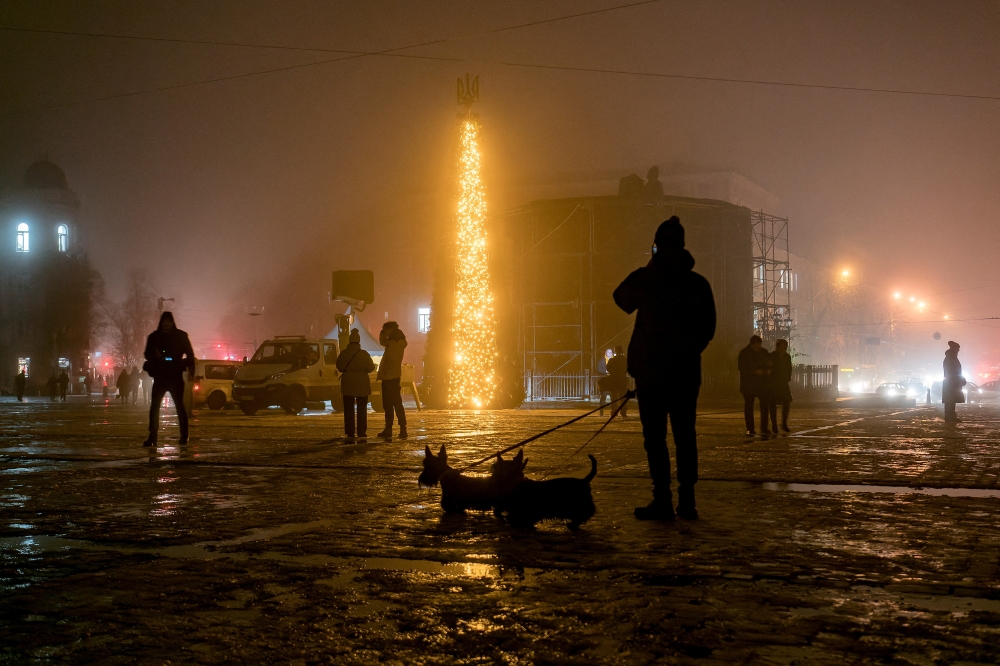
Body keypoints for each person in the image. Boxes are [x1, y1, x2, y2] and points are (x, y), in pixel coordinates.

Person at [613, 216, 716, 521]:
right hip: (685, 373)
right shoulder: (698, 284)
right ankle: (687, 501)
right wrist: (687, 351)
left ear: (656, 246)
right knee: (685, 436)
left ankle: (662, 499)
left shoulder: (648, 278)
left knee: (655, 439)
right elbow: (708, 329)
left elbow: (621, 298)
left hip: (652, 373)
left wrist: (651, 266)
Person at [142, 311, 196, 447]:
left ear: (172, 323)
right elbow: (147, 354)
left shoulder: (175, 336)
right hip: (163, 375)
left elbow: (190, 355)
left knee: (177, 406)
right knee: (157, 407)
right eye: (165, 322)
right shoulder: (156, 337)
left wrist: (190, 370)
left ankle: (182, 435)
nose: (166, 325)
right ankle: (153, 436)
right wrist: (156, 356)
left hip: (172, 375)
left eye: (168, 322)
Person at [336, 328, 375, 439]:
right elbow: (371, 367)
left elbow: (339, 366)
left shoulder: (344, 354)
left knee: (348, 409)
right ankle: (362, 431)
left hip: (347, 384)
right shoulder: (364, 354)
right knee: (362, 409)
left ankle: (350, 431)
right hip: (362, 384)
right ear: (359, 342)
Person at [376, 321, 408, 439]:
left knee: (389, 404)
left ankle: (390, 428)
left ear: (390, 330)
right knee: (396, 403)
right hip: (393, 376)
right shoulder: (398, 342)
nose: (385, 333)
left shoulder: (393, 343)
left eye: (386, 330)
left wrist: (382, 333)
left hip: (389, 377)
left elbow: (382, 342)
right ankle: (401, 428)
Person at [738, 335, 771, 435]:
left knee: (764, 406)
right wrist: (754, 371)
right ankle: (750, 428)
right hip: (749, 384)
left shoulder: (763, 352)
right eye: (757, 345)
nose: (758, 347)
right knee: (749, 406)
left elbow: (769, 364)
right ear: (752, 344)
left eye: (759, 345)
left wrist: (765, 371)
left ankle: (764, 427)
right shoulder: (744, 353)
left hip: (761, 383)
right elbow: (742, 367)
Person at [768, 339, 793, 433]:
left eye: (785, 347)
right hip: (773, 383)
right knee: (772, 404)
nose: (784, 348)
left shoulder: (787, 357)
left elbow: (789, 368)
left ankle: (784, 423)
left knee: (786, 402)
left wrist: (787, 378)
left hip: (783, 383)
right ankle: (774, 425)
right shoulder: (772, 356)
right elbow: (769, 367)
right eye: (782, 346)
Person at [601, 346, 629, 418]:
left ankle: (614, 412)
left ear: (615, 351)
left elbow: (608, 368)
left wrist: (613, 373)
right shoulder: (624, 360)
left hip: (614, 380)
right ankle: (623, 412)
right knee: (623, 397)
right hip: (622, 380)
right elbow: (627, 369)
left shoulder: (612, 360)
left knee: (614, 397)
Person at [942, 341, 966, 423]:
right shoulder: (951, 358)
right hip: (951, 383)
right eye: (957, 349)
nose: (958, 351)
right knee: (950, 401)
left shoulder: (951, 358)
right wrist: (959, 379)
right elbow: (953, 371)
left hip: (952, 382)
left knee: (951, 401)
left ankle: (951, 416)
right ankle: (949, 417)